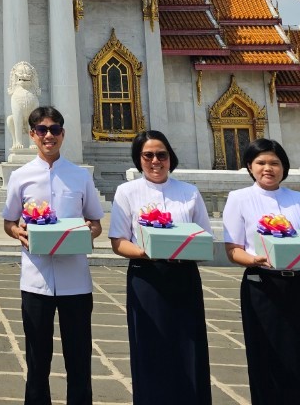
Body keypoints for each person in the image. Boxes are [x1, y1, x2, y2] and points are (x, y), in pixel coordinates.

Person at [223, 138, 300, 405]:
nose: (268, 168)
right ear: (249, 166)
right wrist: (253, 259)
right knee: (268, 354)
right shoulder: (239, 199)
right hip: (263, 285)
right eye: (260, 162)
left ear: (284, 167)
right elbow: (233, 249)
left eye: (274, 163)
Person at [1, 107, 104, 405]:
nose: (49, 135)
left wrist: (88, 232)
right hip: (37, 280)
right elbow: (9, 222)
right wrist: (17, 232)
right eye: (42, 130)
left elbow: (96, 222)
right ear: (32, 134)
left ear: (63, 133)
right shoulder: (20, 177)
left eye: (55, 129)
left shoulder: (80, 176)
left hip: (76, 281)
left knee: (79, 359)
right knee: (37, 360)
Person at [108, 130, 212, 405]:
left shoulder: (189, 192)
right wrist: (147, 251)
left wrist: (186, 248)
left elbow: (205, 237)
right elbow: (118, 242)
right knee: (150, 347)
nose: (155, 161)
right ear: (139, 159)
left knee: (189, 345)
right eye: (148, 155)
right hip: (147, 277)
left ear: (170, 157)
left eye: (161, 155)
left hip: (183, 276)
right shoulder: (127, 192)